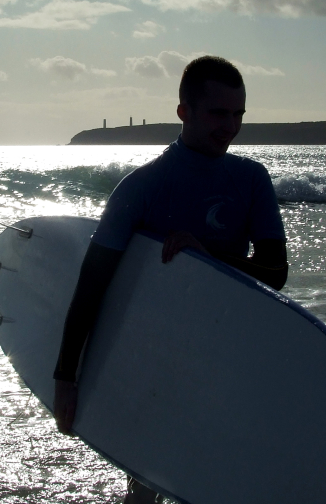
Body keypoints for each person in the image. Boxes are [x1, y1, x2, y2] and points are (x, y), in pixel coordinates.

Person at [52, 55, 288, 503]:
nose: (231, 126)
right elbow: (92, 286)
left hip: (224, 356)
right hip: (151, 358)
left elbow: (275, 275)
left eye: (238, 114)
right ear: (184, 112)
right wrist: (66, 376)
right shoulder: (140, 188)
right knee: (144, 489)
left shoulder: (251, 179)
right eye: (219, 113)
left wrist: (208, 255)